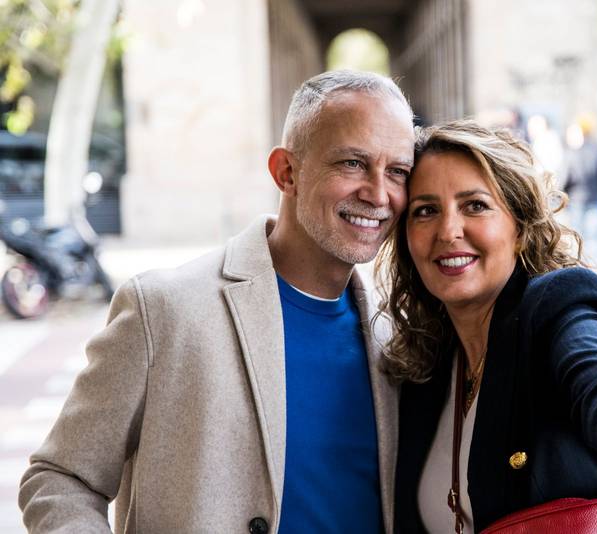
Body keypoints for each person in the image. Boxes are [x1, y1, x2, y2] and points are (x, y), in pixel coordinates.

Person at [18, 70, 416, 533]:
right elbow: (60, 479)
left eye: (398, 172)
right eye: (351, 163)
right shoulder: (164, 310)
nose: (378, 192)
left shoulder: (399, 333)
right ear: (286, 172)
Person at [378, 120, 597, 533]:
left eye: (475, 205)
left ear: (520, 230)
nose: (448, 230)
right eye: (426, 211)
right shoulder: (423, 364)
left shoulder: (559, 306)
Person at [563, 114, 597, 260]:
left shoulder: (571, 153)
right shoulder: (596, 150)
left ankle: (581, 265)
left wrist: (562, 195)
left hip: (577, 200)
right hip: (596, 198)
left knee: (579, 237)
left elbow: (566, 177)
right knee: (595, 238)